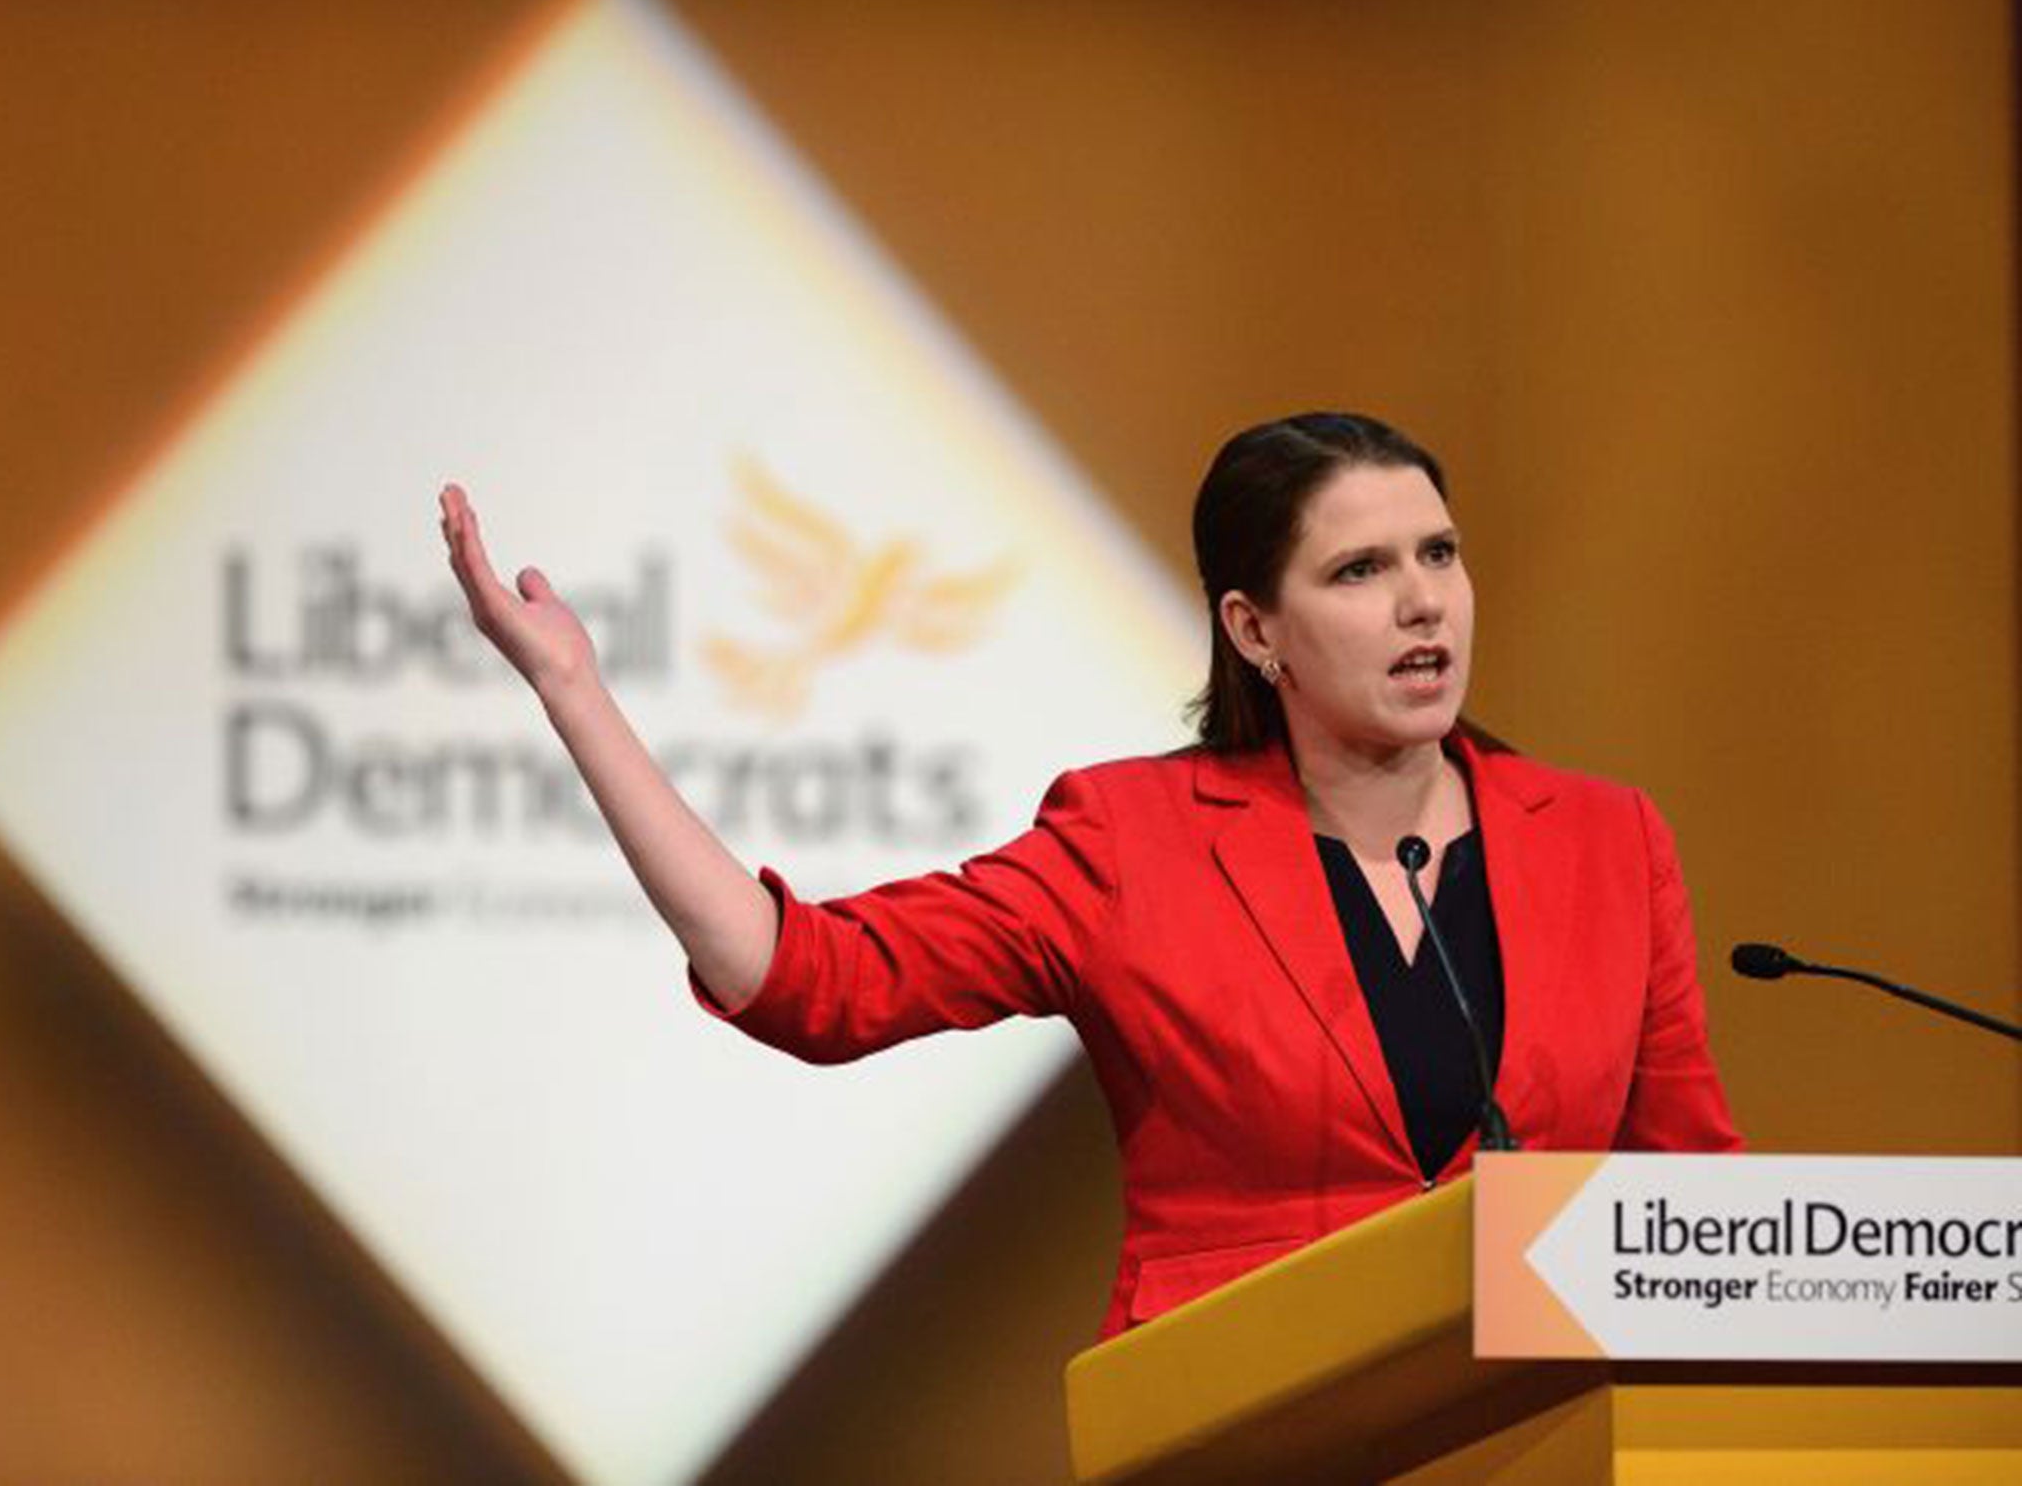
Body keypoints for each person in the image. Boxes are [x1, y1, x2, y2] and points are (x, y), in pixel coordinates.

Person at [438, 411, 1740, 1340]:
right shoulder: (1131, 846)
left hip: (1543, 1434)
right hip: (1245, 1427)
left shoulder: (1608, 841)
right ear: (1255, 628)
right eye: (1361, 570)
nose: (1424, 605)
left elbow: (1694, 1199)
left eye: (1438, 555)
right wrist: (575, 694)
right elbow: (807, 982)